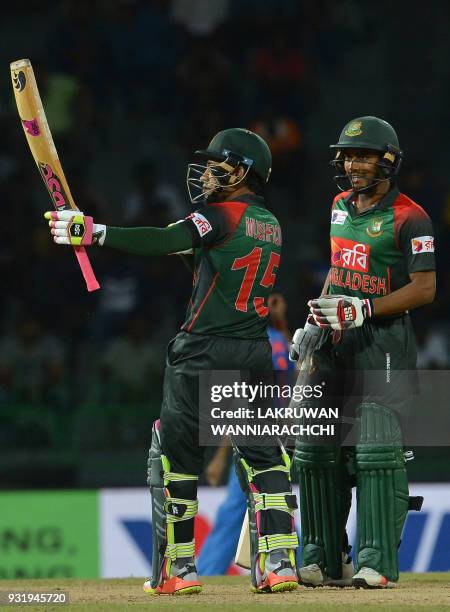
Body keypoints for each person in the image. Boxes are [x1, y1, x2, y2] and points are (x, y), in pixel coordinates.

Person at [44, 128, 299, 595]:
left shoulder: (217, 215)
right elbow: (208, 263)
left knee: (174, 458)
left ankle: (178, 572)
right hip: (253, 352)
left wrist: (94, 231)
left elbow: (165, 240)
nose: (205, 173)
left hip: (201, 351)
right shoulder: (270, 223)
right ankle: (280, 563)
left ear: (242, 171)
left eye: (217, 165)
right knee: (265, 459)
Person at [290, 116, 436, 589]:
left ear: (388, 160)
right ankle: (323, 555)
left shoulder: (412, 216)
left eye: (364, 156)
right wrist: (314, 321)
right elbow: (337, 270)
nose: (353, 164)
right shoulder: (338, 206)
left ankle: (375, 561)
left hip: (383, 340)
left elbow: (426, 289)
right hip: (337, 337)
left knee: (375, 443)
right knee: (314, 442)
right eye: (349, 156)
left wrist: (365, 309)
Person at [197, 293, 294, 576]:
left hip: (265, 433)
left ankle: (208, 571)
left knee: (242, 508)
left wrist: (219, 457)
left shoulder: (256, 341)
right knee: (273, 504)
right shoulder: (271, 339)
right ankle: (288, 564)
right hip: (272, 433)